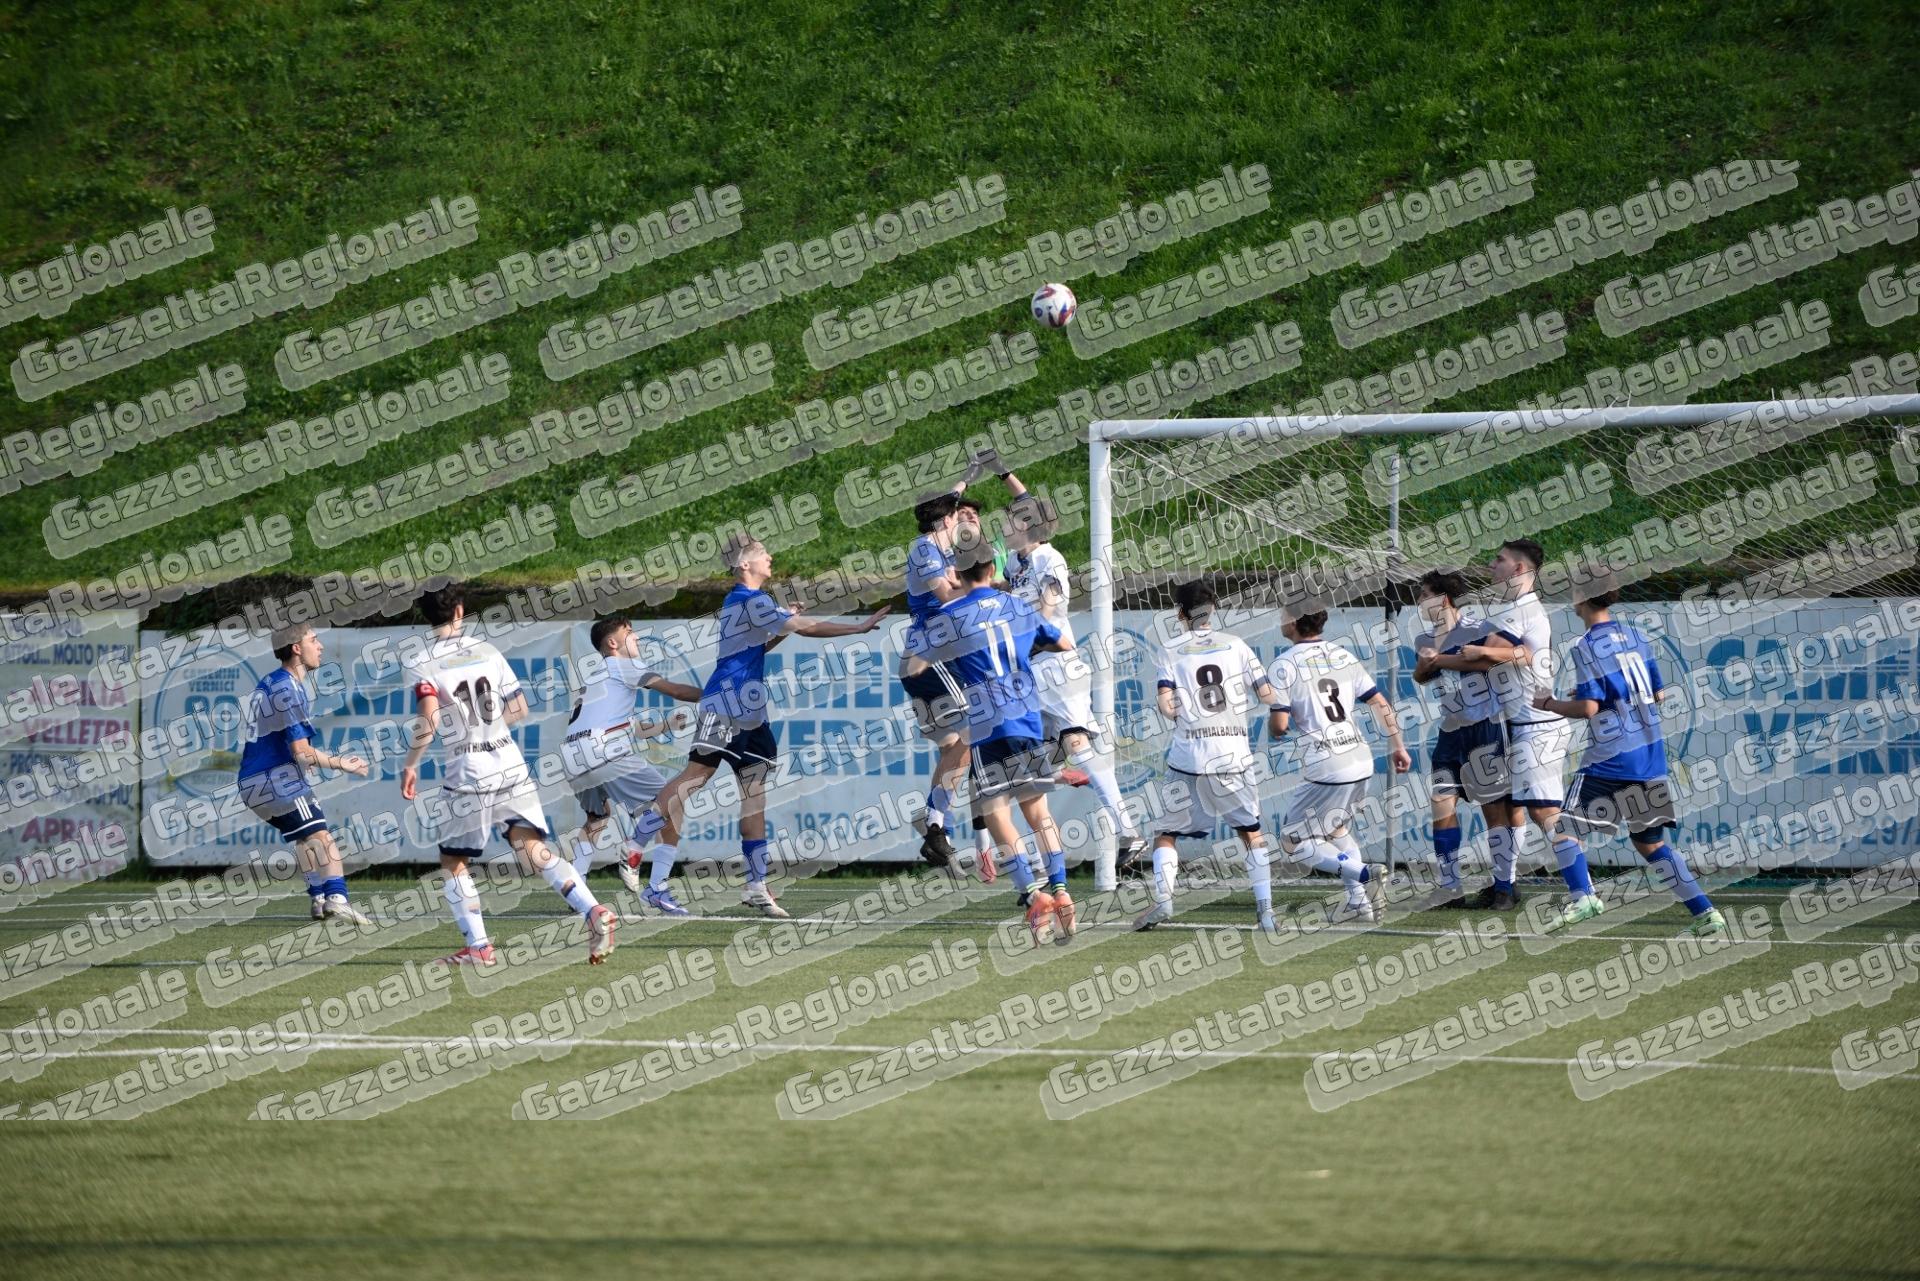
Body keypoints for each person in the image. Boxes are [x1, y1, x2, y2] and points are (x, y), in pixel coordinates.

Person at [637, 534, 890, 918]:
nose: (770, 556)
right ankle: (634, 843)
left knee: (754, 796)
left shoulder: (751, 602)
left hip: (752, 713)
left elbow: (762, 644)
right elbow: (805, 628)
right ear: (744, 564)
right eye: (762, 553)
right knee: (695, 777)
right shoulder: (747, 599)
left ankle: (756, 883)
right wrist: (856, 629)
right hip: (726, 703)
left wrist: (783, 624)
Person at [400, 584, 617, 965]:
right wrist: (490, 729)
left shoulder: (422, 660)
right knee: (532, 848)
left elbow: (429, 719)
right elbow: (519, 708)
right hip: (509, 762)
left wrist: (411, 763)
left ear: (425, 615)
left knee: (453, 861)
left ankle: (479, 947)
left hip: (468, 769)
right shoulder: (486, 651)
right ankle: (593, 910)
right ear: (460, 611)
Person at [1531, 577, 1726, 936]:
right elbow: (1658, 695)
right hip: (1649, 759)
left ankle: (1583, 898)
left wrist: (1549, 703)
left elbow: (1589, 709)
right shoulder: (1636, 636)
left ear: (1581, 596)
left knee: (1565, 831)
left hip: (1610, 760)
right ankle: (1706, 913)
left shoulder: (1587, 645)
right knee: (1651, 843)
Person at [918, 532, 1080, 944]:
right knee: (1038, 812)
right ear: (993, 569)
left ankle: (1033, 894)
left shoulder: (949, 615)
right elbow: (1064, 642)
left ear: (956, 574)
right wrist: (1023, 649)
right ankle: (1061, 889)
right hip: (1027, 719)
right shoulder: (1017, 606)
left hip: (988, 724)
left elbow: (921, 663)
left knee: (995, 811)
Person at [1004, 487, 1143, 889]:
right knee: (1025, 762)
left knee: (1077, 744)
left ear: (1027, 525)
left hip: (1055, 666)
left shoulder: (1050, 558)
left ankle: (1128, 831)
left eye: (1009, 521)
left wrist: (1019, 631)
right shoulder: (1016, 561)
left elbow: (1048, 608)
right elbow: (1008, 590)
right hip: (1030, 670)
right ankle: (1044, 865)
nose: (1003, 528)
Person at [1132, 579, 1286, 932]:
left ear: (1180, 614)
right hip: (1232, 755)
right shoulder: (1237, 645)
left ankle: (1164, 900)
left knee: (1167, 832)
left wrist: (1180, 714)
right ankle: (1266, 913)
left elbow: (1166, 705)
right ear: (1212, 609)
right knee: (1251, 833)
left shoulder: (1171, 649)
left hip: (1189, 755)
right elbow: (1267, 694)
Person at [1266, 601, 1411, 926]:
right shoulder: (1342, 655)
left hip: (1327, 764)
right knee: (1337, 830)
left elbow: (1279, 725)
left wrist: (1274, 726)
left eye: (1283, 616)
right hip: (1359, 758)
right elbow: (1379, 702)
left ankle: (1365, 874)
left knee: (1292, 843)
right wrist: (1399, 746)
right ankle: (1358, 903)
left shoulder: (1284, 664)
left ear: (1294, 622)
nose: (1281, 621)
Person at [562, 617, 702, 914]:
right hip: (604, 751)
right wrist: (713, 695)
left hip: (572, 754)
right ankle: (656, 885)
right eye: (629, 632)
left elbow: (630, 727)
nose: (636, 637)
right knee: (673, 802)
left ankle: (577, 888)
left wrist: (665, 725)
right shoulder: (623, 665)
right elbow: (675, 690)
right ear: (612, 643)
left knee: (597, 818)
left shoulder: (596, 677)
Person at [236, 624, 371, 925]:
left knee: (304, 836)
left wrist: (300, 759)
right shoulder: (288, 689)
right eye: (313, 640)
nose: (320, 646)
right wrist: (341, 763)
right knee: (322, 836)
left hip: (252, 782)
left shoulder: (273, 681)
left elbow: (281, 739)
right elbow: (301, 750)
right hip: (275, 780)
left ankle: (319, 898)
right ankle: (337, 898)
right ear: (296, 648)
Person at [1410, 569, 1510, 906]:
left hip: (1485, 728)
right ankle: (1450, 886)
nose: (1419, 601)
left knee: (1493, 810)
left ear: (1444, 599)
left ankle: (1503, 886)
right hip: (1450, 731)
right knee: (1441, 803)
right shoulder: (1424, 639)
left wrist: (1439, 659)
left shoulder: (1479, 629)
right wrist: (1425, 665)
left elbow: (1487, 664)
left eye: (1425, 595)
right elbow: (1421, 676)